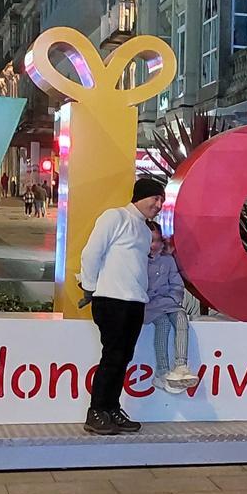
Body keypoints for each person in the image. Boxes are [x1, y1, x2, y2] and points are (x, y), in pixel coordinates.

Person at [79, 178, 166, 436]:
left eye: (162, 200)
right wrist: (91, 287)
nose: (159, 205)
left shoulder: (143, 229)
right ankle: (96, 411)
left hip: (134, 301)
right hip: (112, 300)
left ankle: (111, 409)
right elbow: (91, 253)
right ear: (141, 196)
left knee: (123, 358)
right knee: (112, 356)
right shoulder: (114, 217)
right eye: (155, 198)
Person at [143, 221, 199, 394]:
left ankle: (180, 365)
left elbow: (176, 284)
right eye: (150, 240)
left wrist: (173, 299)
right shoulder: (138, 261)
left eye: (157, 240)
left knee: (181, 318)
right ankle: (162, 370)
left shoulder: (168, 261)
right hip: (149, 307)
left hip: (169, 303)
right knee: (163, 324)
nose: (154, 245)